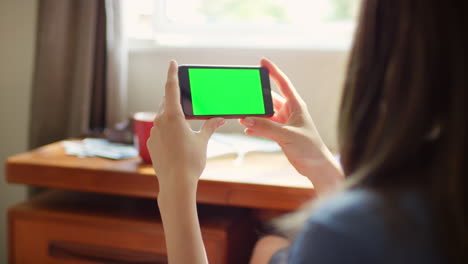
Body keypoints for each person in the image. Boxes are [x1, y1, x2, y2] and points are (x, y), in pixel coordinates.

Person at [146, 0, 468, 263]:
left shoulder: (341, 234)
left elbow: (357, 234)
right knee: (269, 248)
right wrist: (321, 164)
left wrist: (175, 186)